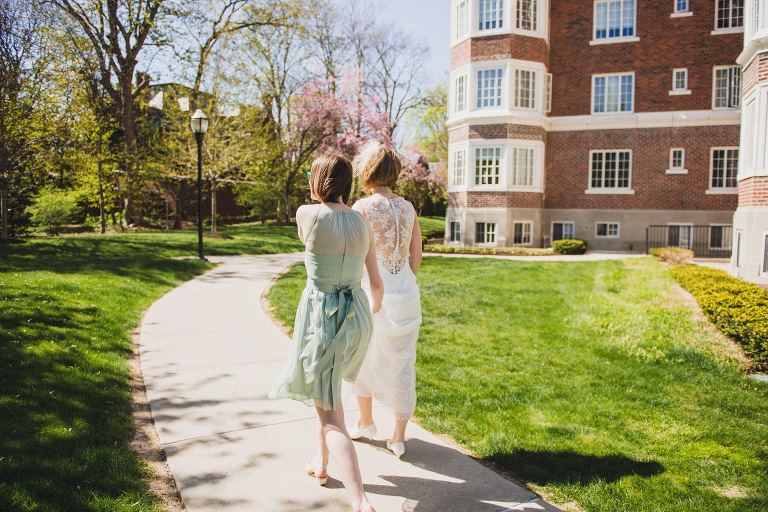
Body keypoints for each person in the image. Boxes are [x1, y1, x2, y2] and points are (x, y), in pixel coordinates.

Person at [269, 152, 383, 512]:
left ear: (317, 181)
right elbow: (376, 284)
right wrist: (374, 309)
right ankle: (320, 464)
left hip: (324, 320)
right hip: (357, 318)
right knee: (326, 394)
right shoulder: (363, 222)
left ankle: (359, 498)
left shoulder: (308, 213)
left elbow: (310, 236)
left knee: (332, 415)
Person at [349, 141, 423, 459]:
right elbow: (416, 256)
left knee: (363, 358)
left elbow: (356, 256)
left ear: (367, 171)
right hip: (406, 293)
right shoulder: (408, 208)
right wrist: (405, 280)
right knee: (403, 363)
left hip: (372, 290)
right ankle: (398, 436)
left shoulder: (361, 208)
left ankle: (366, 423)